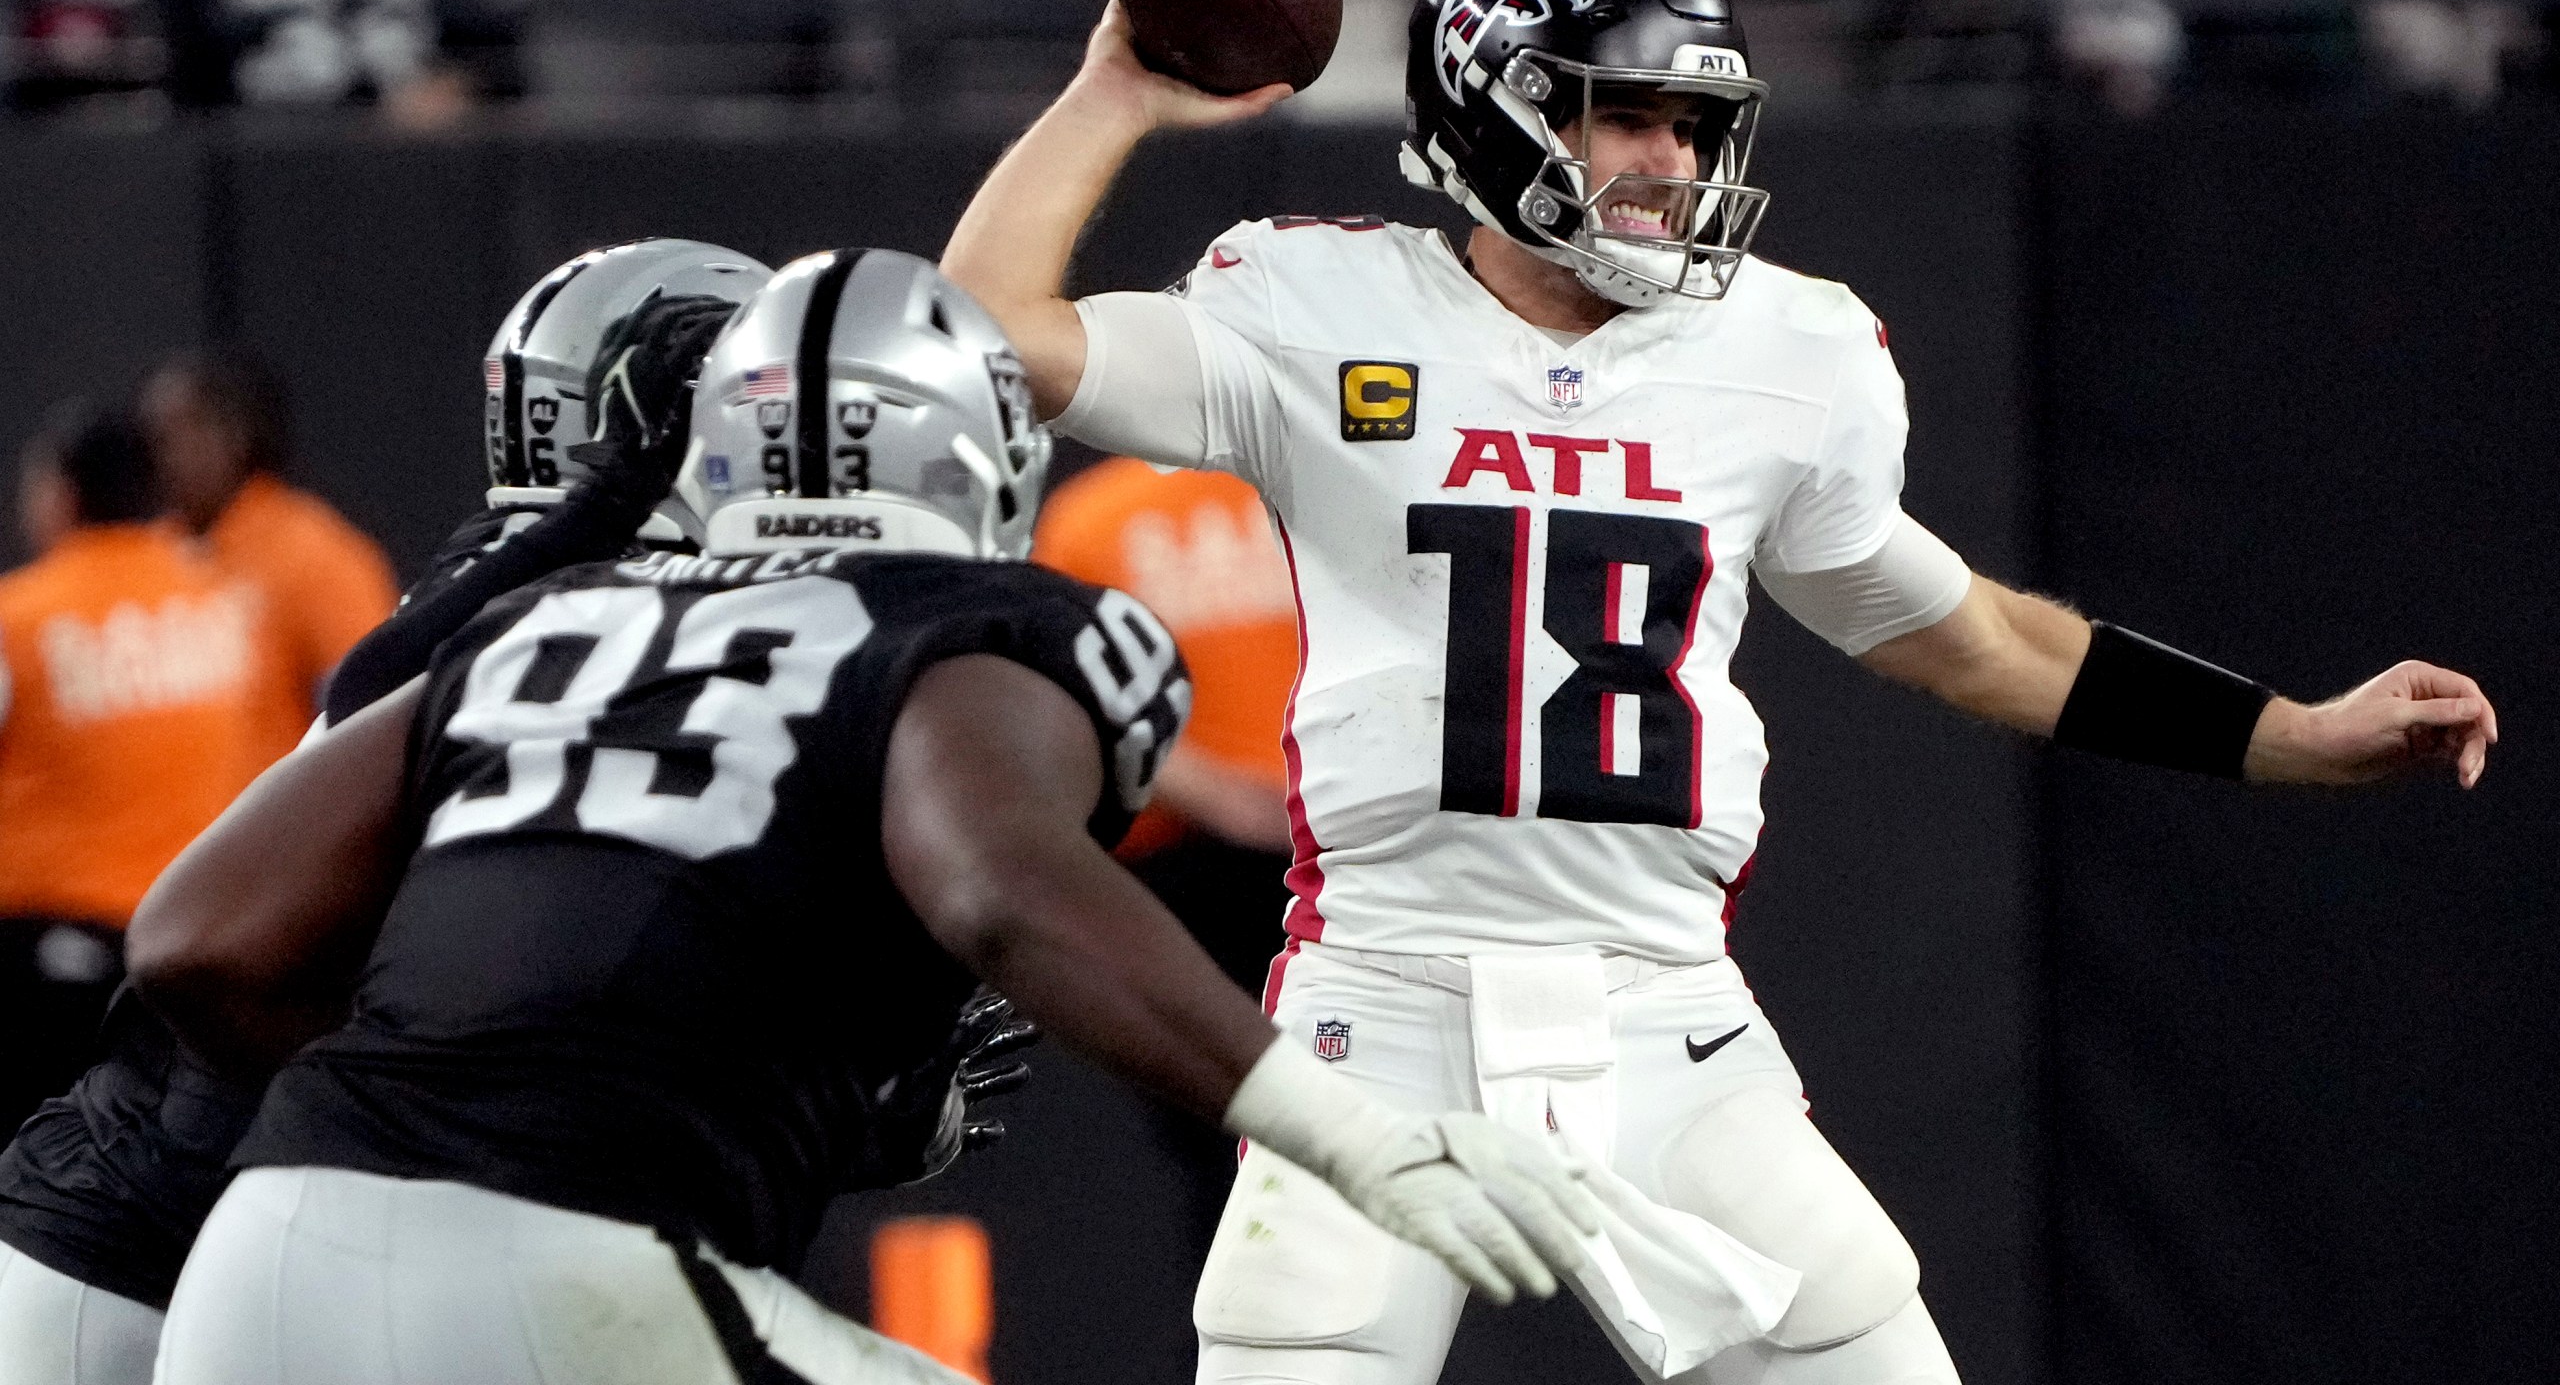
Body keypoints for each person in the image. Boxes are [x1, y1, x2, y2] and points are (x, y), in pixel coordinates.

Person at [938, 0, 2502, 1381]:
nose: (1672, 163)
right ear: (1498, 111)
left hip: (1664, 1014)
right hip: (1382, 1006)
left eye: (1695, 126)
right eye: (1629, 118)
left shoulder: (1786, 351)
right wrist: (1115, 92)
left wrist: (2291, 733)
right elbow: (988, 332)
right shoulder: (1314, 305)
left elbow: (1975, 637)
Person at [134, 249, 1598, 1385]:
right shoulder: (988, 624)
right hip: (578, 1266)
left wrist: (457, 1084)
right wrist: (1352, 1134)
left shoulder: (540, 627)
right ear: (976, 455)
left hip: (259, 1268)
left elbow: (193, 938)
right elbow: (998, 891)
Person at [0, 240, 772, 1385]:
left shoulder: (516, 596)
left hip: (263, 1189)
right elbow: (334, 780)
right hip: (182, 1200)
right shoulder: (505, 606)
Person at [1032, 459, 1300, 1248]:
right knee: (1233, 1155)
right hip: (1190, 871)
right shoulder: (1094, 516)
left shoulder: (1332, 470)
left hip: (1363, 854)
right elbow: (1062, 687)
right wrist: (1217, 791)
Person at [0, 404, 262, 1139]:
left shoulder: (21, 617)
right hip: (193, 946)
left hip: (45, 958)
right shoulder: (221, 604)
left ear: (62, 493)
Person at [140, 347, 399, 768]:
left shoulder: (315, 553)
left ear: (234, 434)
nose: (158, 459)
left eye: (173, 435)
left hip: (278, 826)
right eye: (150, 440)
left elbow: (374, 714)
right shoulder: (144, 557)